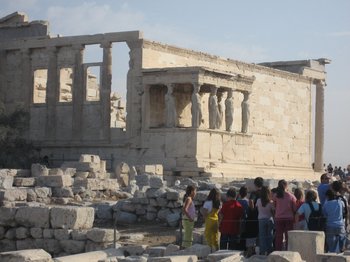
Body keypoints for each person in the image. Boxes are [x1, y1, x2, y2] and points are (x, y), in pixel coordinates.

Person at [273, 179, 297, 251]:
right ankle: (288, 251)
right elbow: (295, 208)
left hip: (278, 218)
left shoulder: (276, 195)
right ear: (286, 186)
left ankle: (278, 251)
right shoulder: (291, 196)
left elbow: (274, 206)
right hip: (289, 218)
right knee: (288, 237)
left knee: (278, 237)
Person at [245, 177, 264, 256]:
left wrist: (252, 209)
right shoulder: (265, 193)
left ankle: (250, 253)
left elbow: (251, 201)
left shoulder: (254, 193)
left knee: (251, 235)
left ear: (255, 184)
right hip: (263, 216)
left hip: (254, 216)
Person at [256, 186, 274, 255]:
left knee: (262, 237)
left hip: (261, 220)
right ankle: (270, 251)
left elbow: (257, 208)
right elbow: (273, 212)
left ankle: (263, 252)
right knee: (270, 236)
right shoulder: (271, 202)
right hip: (269, 219)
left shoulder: (258, 200)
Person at [237, 186, 249, 250]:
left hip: (237, 221)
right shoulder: (247, 202)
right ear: (246, 193)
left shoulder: (237, 201)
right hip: (245, 221)